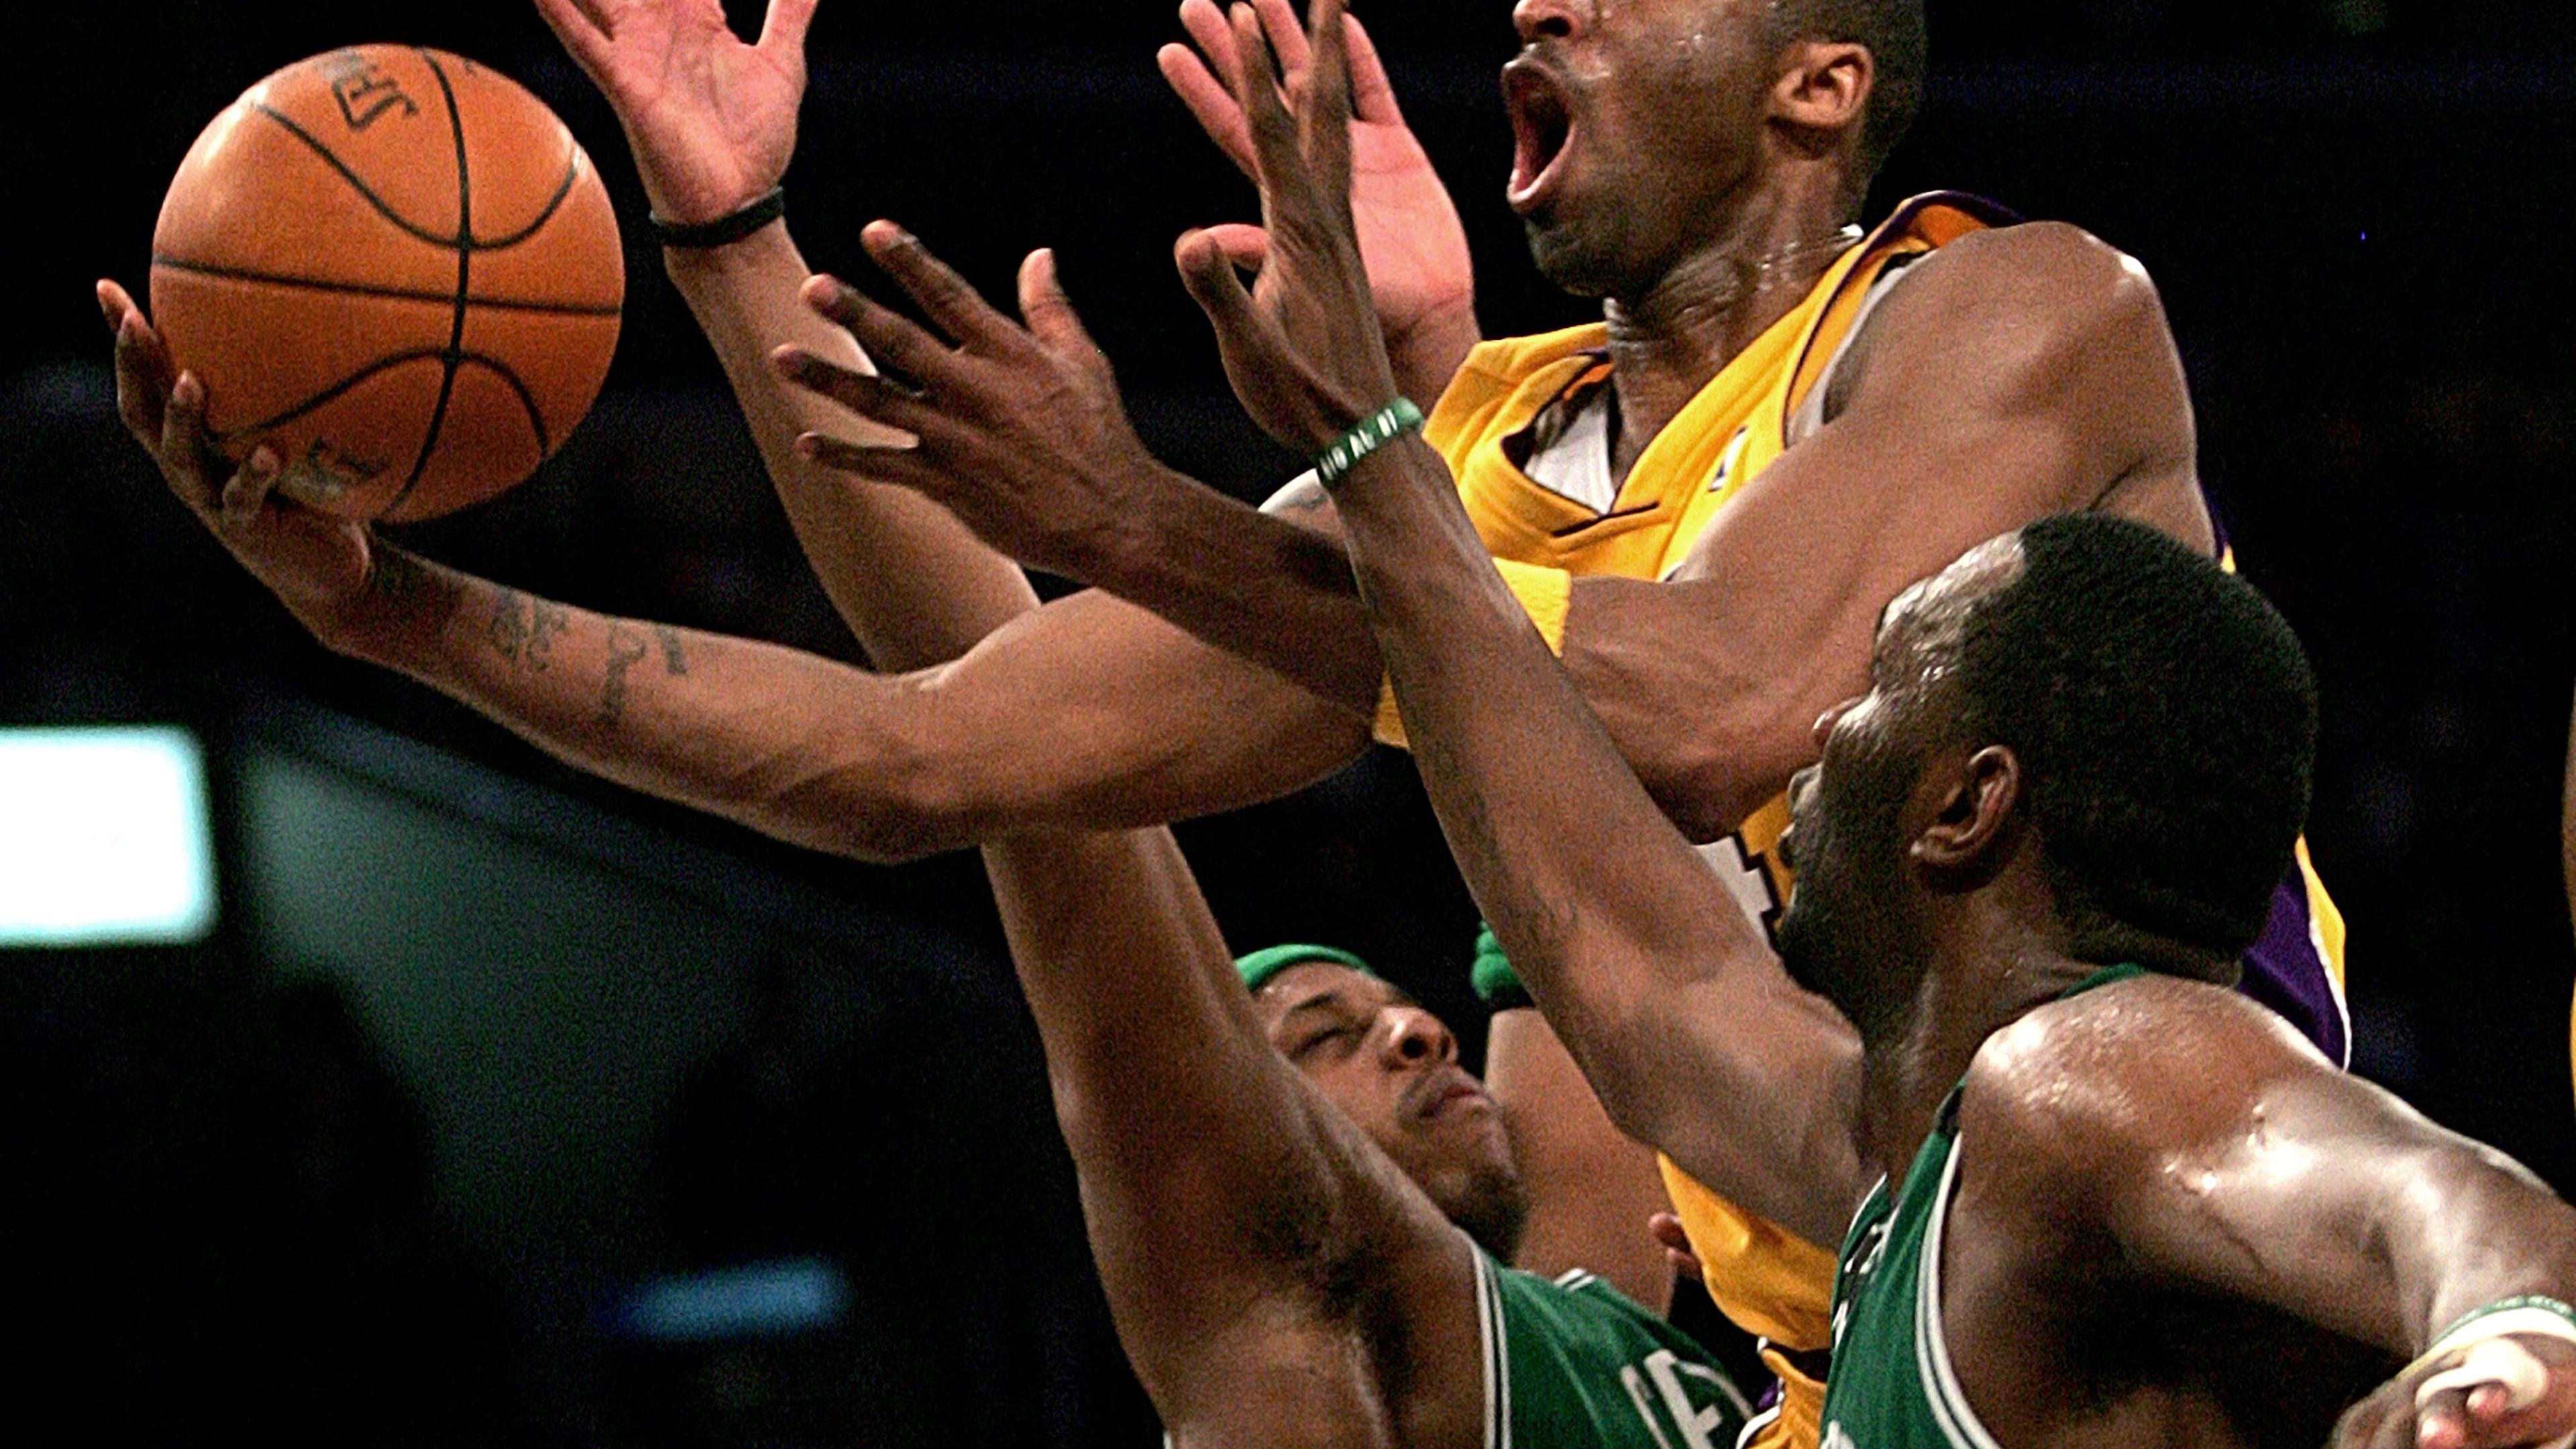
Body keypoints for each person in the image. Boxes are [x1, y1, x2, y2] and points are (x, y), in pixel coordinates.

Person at [1171, 21, 2576, 1440]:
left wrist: (2509, 1332)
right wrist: (1217, 483)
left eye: (1875, 692)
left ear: (1964, 808)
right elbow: (1638, 967)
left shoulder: (2085, 1079)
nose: (1825, 721)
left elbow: (2427, 1195)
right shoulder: (1872, 1164)